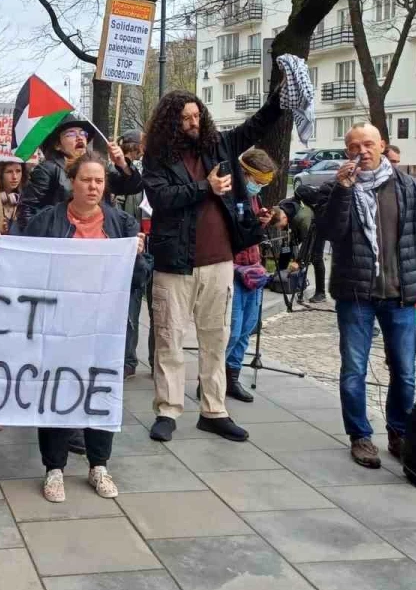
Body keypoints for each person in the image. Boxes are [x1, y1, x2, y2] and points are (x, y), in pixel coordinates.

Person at [141, 88, 285, 443]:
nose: (193, 123)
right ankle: (167, 410)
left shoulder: (219, 145)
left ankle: (214, 409)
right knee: (169, 340)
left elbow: (254, 128)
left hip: (220, 261)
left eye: (196, 116)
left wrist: (276, 102)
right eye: (185, 118)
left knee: (216, 337)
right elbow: (161, 197)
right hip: (175, 264)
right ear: (171, 123)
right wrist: (206, 187)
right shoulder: (158, 156)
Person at [320, 122, 416, 469]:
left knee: (405, 371)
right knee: (353, 370)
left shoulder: (408, 188)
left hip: (399, 295)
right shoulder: (340, 188)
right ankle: (360, 436)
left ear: (382, 146)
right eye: (353, 147)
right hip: (356, 295)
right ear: (346, 152)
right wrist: (343, 190)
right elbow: (331, 231)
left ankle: (398, 431)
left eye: (368, 144)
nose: (361, 152)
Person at [24, 151, 150, 502]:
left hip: (103, 327)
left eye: (98, 180)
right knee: (56, 393)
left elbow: (140, 279)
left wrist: (137, 255)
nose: (92, 186)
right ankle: (54, 469)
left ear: (105, 185)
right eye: (85, 179)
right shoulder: (47, 221)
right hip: (59, 325)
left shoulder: (122, 224)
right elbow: (23, 264)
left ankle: (99, 465)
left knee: (100, 392)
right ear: (71, 182)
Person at [17, 117, 142, 231]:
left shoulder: (99, 167)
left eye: (83, 133)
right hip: (63, 238)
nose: (79, 137)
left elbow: (134, 187)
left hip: (98, 234)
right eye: (71, 134)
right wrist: (40, 240)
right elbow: (27, 209)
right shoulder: (47, 170)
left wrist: (122, 164)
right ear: (57, 145)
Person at [223, 149, 278, 402]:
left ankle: (232, 377)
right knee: (231, 330)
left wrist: (260, 222)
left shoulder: (252, 198)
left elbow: (250, 229)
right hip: (232, 268)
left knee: (246, 329)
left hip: (253, 266)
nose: (259, 187)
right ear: (245, 174)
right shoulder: (229, 194)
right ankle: (213, 379)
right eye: (258, 181)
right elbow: (230, 231)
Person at [114, 130, 152, 379]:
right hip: (133, 248)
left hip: (157, 247)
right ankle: (128, 359)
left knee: (160, 311)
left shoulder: (157, 174)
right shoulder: (123, 177)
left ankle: (158, 358)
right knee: (130, 309)